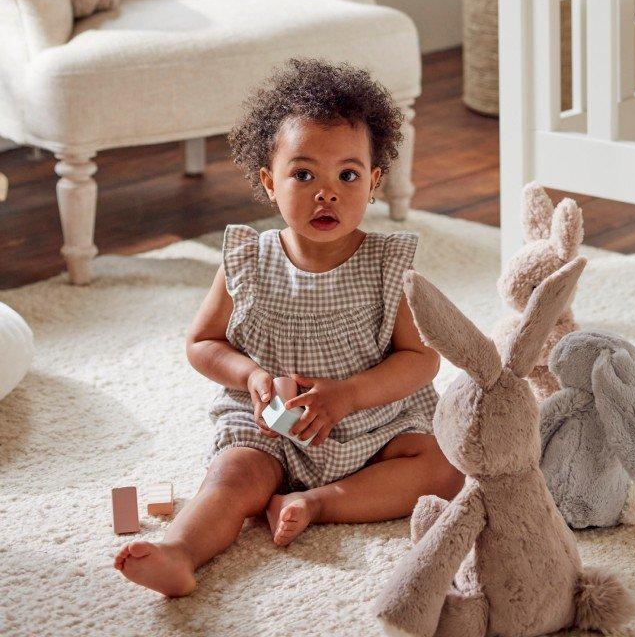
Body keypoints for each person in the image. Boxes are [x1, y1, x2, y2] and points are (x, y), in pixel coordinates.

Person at [115, 59, 464, 596]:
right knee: (231, 478)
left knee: (442, 468)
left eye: (347, 175)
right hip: (270, 429)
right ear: (268, 183)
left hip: (373, 427)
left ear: (373, 183)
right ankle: (180, 551)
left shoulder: (389, 266)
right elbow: (202, 343)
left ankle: (316, 504)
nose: (326, 192)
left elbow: (421, 360)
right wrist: (250, 375)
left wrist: (348, 396)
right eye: (303, 174)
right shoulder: (246, 260)